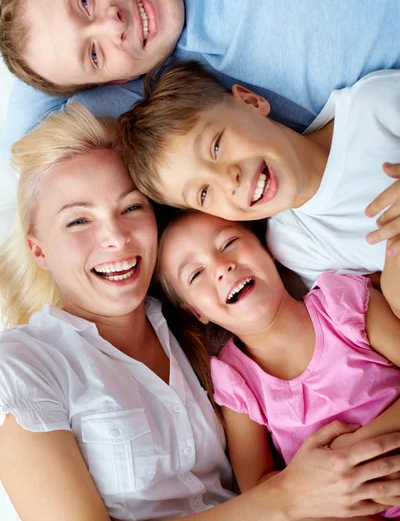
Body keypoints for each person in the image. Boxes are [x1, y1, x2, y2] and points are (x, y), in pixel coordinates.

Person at [3, 104, 400, 521]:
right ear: (39, 248)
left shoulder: (203, 337)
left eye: (131, 208)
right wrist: (288, 497)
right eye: (78, 221)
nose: (116, 238)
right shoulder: (25, 363)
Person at [1, 0, 400, 150]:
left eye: (84, 0)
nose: (113, 24)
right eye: (93, 54)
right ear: (116, 81)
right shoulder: (215, 92)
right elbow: (21, 145)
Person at [157, 209, 400, 517]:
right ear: (195, 312)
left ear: (266, 249)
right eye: (195, 274)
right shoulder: (236, 381)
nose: (221, 267)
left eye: (229, 242)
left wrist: (349, 453)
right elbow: (258, 486)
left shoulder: (343, 304)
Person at [120, 61, 400, 288]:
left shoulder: (373, 109)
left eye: (216, 146)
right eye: (204, 193)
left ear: (251, 102)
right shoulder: (296, 246)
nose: (229, 180)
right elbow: (386, 313)